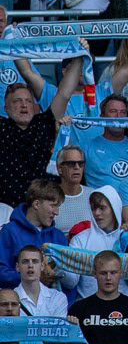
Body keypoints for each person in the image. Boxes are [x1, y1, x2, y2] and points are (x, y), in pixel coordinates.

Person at [1, 61, 82, 206]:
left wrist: (80, 57)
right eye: (17, 101)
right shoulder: (1, 127)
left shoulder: (44, 123)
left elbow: (64, 94)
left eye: (28, 101)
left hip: (45, 207)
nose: (24, 105)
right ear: (6, 108)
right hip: (7, 208)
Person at [0, 179, 66, 286]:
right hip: (18, 295)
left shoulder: (58, 236)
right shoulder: (9, 232)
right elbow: (1, 272)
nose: (56, 212)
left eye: (58, 207)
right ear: (36, 204)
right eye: (53, 205)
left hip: (54, 296)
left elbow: (69, 280)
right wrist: (31, 278)